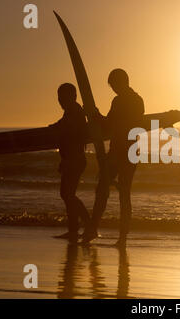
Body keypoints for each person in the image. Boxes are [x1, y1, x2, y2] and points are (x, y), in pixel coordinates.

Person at [83, 69, 144, 247]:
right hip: (131, 150)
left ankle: (93, 229)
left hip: (120, 151)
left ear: (120, 82)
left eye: (113, 85)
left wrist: (94, 114)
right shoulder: (138, 100)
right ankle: (122, 239)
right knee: (124, 195)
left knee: (103, 191)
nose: (112, 89)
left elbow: (108, 125)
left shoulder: (120, 100)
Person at [50, 83, 90, 243]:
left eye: (62, 97)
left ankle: (89, 225)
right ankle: (73, 230)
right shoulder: (70, 111)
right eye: (58, 97)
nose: (59, 101)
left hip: (75, 159)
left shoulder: (76, 111)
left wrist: (58, 128)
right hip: (70, 159)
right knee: (67, 194)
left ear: (71, 97)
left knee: (67, 194)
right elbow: (63, 124)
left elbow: (72, 128)